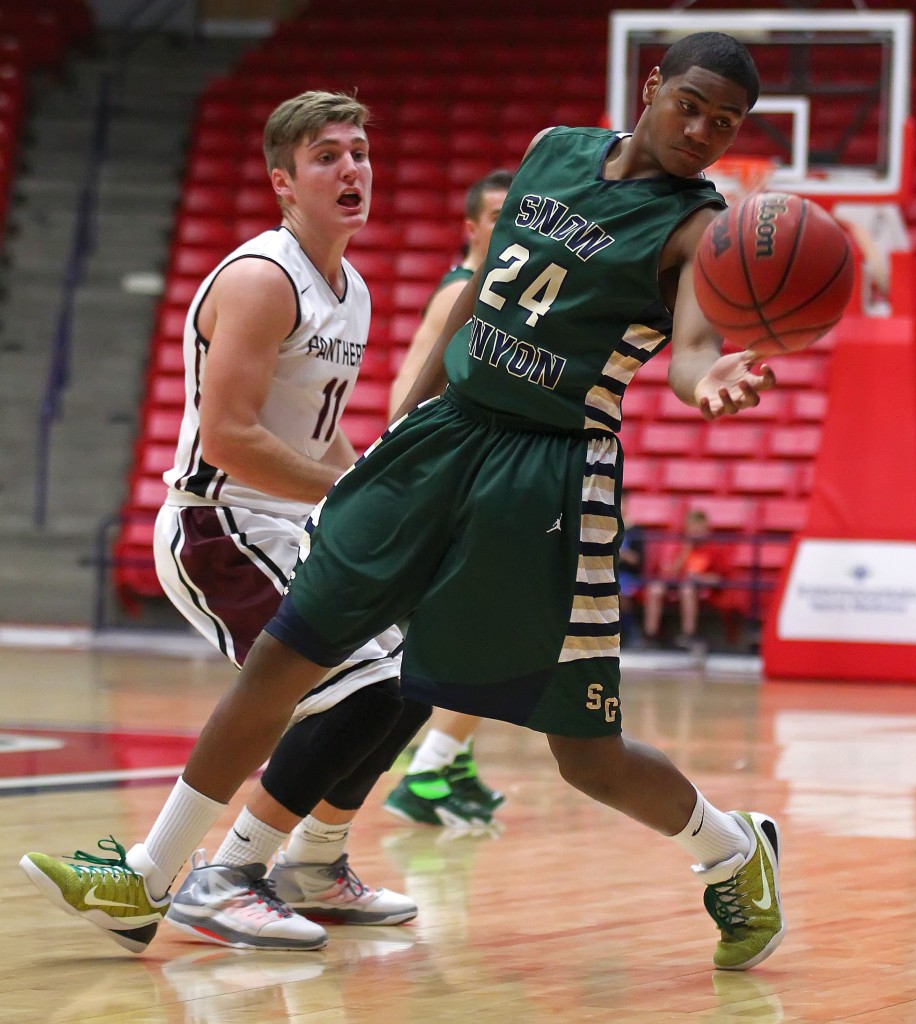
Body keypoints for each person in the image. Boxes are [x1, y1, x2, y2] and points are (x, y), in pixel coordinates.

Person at [22, 33, 785, 972]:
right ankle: (154, 876)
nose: (705, 131)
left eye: (728, 122)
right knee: (287, 651)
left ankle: (735, 851)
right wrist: (413, 417)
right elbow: (473, 304)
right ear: (653, 84)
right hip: (444, 434)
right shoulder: (553, 151)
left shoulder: (699, 226)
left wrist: (710, 382)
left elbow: (697, 351)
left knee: (582, 752)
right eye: (694, 104)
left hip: (549, 475)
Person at [25, 90, 428, 954]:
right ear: (284, 182)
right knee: (365, 688)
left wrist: (377, 482)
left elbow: (315, 429)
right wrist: (346, 494)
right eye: (327, 156)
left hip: (286, 524)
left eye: (358, 151)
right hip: (221, 528)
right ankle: (217, 877)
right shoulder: (261, 277)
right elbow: (232, 439)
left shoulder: (348, 287)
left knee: (418, 672)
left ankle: (298, 867)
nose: (351, 168)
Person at [384, 169, 513, 828]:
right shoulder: (463, 293)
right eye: (495, 214)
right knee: (498, 637)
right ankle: (429, 769)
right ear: (471, 226)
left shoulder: (491, 292)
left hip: (459, 484)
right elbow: (408, 399)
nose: (506, 223)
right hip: (439, 488)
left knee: (498, 633)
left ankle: (449, 762)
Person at [643, 506, 725, 650]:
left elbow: (718, 578)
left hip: (700, 587)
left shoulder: (714, 548)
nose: (693, 531)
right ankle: (651, 635)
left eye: (697, 527)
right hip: (677, 584)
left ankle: (689, 635)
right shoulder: (682, 547)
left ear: (705, 528)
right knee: (655, 589)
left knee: (687, 589)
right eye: (690, 527)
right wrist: (684, 552)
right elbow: (671, 573)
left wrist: (699, 578)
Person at [616, 489, 646, 646]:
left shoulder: (635, 530)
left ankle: (630, 632)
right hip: (608, 573)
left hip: (628, 575)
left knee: (620, 592)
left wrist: (621, 551)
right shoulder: (606, 528)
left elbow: (637, 560)